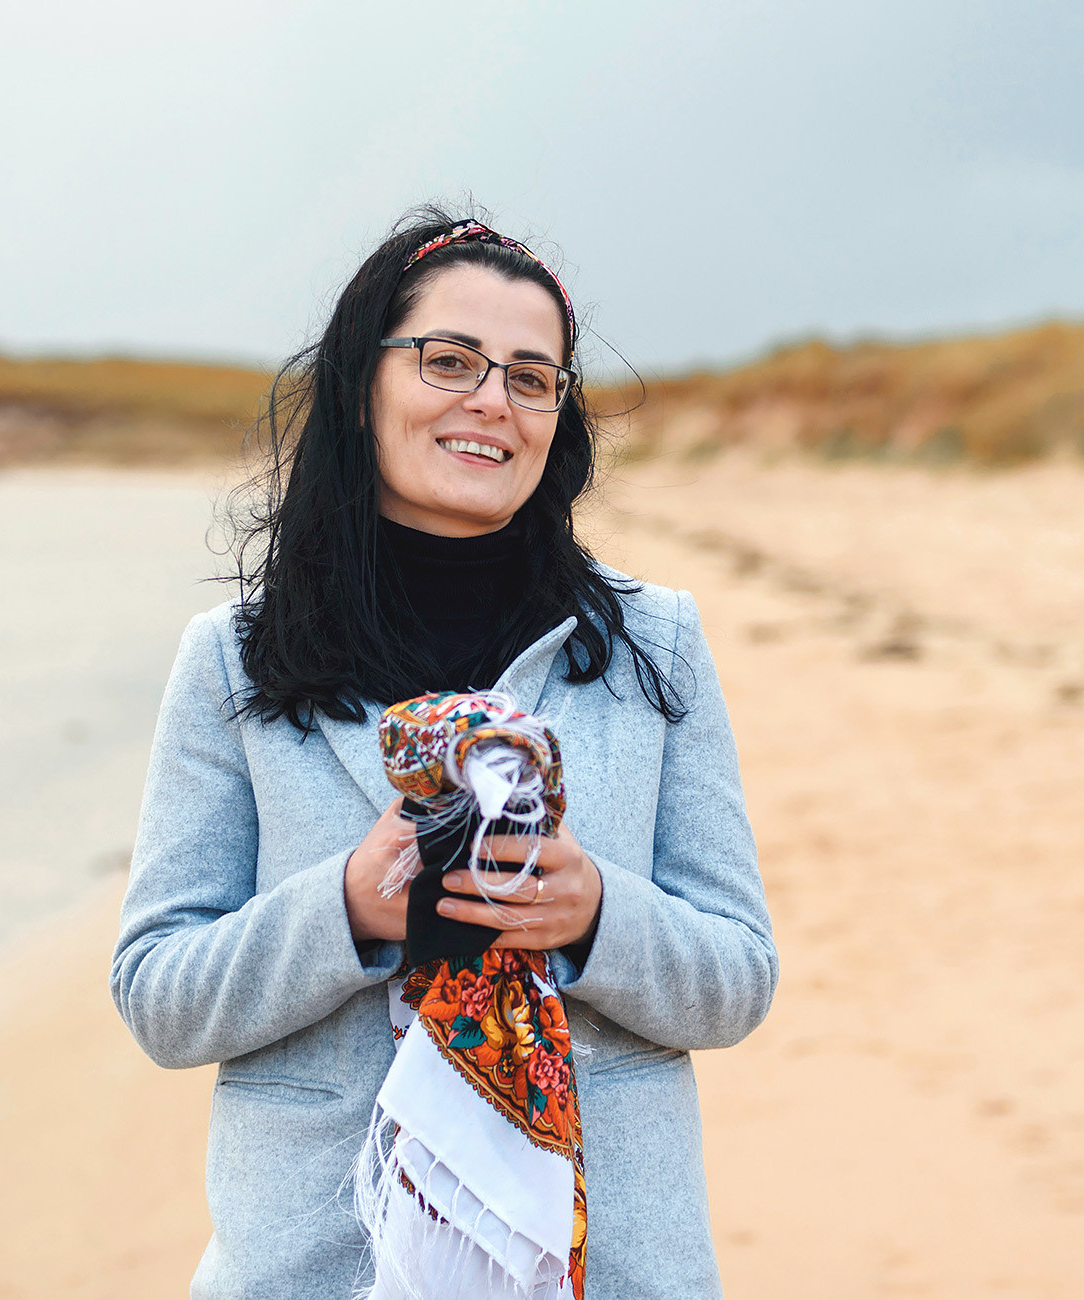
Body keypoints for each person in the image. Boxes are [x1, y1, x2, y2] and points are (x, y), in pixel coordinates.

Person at [110, 207, 777, 1300]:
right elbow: (157, 997)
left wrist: (596, 911)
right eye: (450, 360)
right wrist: (347, 907)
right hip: (316, 1268)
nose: (491, 403)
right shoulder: (232, 661)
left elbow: (737, 978)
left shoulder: (653, 644)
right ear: (362, 381)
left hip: (601, 1266)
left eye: (532, 377)